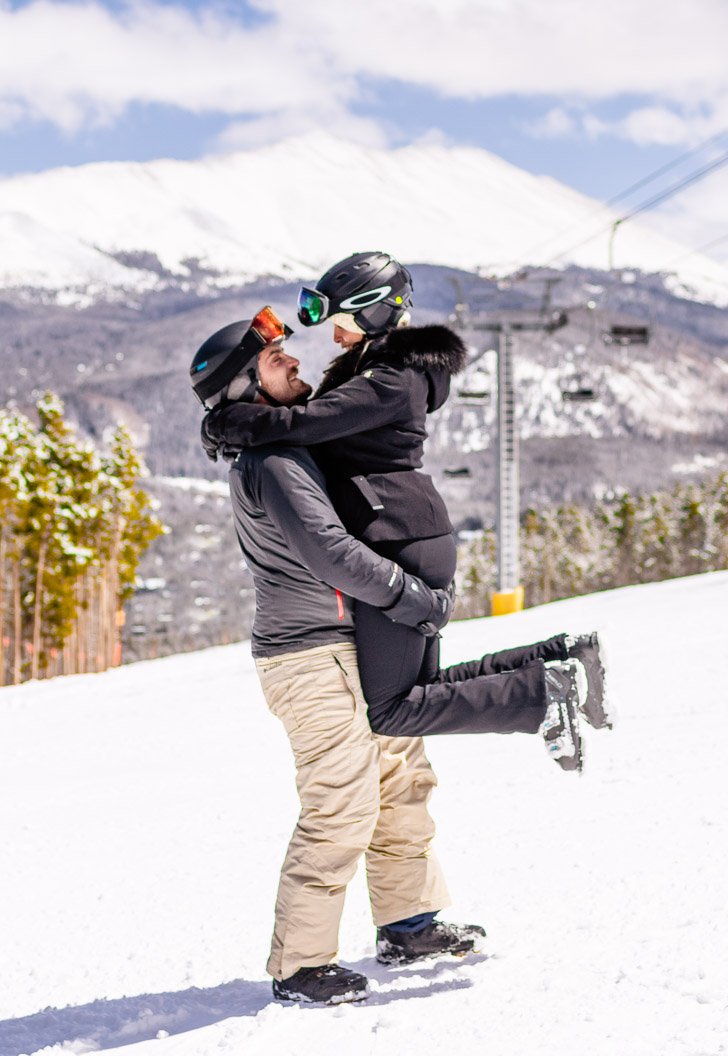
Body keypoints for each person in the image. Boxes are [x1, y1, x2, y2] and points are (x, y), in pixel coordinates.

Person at [190, 307, 598, 1006]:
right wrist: (412, 597)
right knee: (341, 804)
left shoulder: (290, 444)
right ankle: (300, 966)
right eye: (275, 360)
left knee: (403, 781)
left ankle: (410, 925)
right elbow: (331, 552)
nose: (295, 363)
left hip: (346, 645)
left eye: (290, 352)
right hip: (308, 659)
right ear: (243, 390)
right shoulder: (274, 460)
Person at [202, 252, 611, 751]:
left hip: (397, 534)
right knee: (423, 691)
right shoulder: (378, 369)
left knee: (394, 710)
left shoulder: (391, 379)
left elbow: (303, 423)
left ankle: (546, 693)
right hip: (408, 530)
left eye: (343, 322)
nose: (334, 336)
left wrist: (228, 422)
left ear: (373, 308)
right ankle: (561, 659)